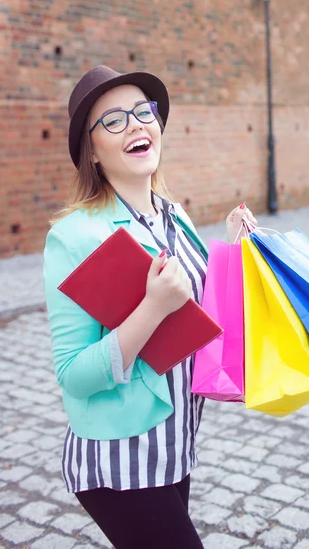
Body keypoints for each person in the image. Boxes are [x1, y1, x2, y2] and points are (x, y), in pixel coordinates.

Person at [43, 65, 257, 549]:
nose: (137, 124)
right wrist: (152, 309)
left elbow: (201, 318)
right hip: (120, 460)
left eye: (144, 112)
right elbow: (74, 374)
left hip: (176, 444)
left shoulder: (174, 215)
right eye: (114, 121)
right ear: (92, 152)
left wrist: (236, 252)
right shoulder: (75, 237)